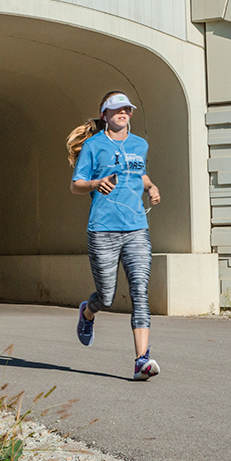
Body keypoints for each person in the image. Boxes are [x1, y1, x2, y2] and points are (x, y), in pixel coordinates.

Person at [67, 92, 161, 381]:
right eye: (116, 109)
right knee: (106, 297)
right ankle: (88, 313)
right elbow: (76, 185)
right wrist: (96, 183)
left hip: (135, 229)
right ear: (104, 114)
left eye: (127, 110)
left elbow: (139, 173)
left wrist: (151, 187)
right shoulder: (93, 146)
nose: (123, 113)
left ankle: (141, 361)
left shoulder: (140, 145)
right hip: (103, 229)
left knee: (139, 293)